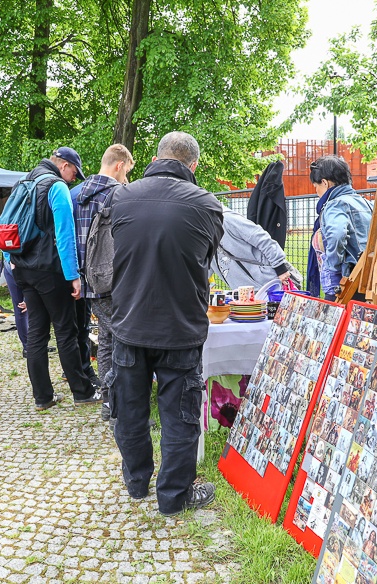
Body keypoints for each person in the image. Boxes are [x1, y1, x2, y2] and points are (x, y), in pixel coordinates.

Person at [110, 131, 224, 516]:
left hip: (129, 322)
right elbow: (206, 256)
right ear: (192, 164)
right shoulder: (207, 204)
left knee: (130, 409)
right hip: (180, 326)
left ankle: (137, 482)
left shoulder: (122, 196)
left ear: (157, 157)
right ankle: (173, 496)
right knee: (180, 415)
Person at [11, 147, 100, 410]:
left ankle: (43, 397)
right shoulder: (56, 187)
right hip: (50, 271)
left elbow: (7, 226)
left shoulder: (23, 182)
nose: (74, 177)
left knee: (37, 334)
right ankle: (82, 391)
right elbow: (64, 236)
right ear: (63, 165)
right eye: (74, 171)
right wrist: (73, 276)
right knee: (66, 330)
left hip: (24, 268)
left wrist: (11, 261)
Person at [72, 143, 135, 420]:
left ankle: (109, 400)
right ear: (119, 165)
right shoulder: (119, 194)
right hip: (115, 280)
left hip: (89, 281)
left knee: (107, 339)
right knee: (122, 338)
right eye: (127, 172)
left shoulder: (76, 194)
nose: (127, 178)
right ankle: (117, 403)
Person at [306, 155, 377, 301]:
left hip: (345, 284)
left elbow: (337, 235)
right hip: (374, 280)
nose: (317, 192)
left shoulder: (335, 204)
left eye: (316, 187)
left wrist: (333, 264)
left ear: (325, 183)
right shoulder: (366, 203)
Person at [211, 206, 301, 289]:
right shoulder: (201, 232)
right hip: (243, 294)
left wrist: (280, 268)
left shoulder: (228, 219)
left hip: (269, 284)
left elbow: (261, 238)